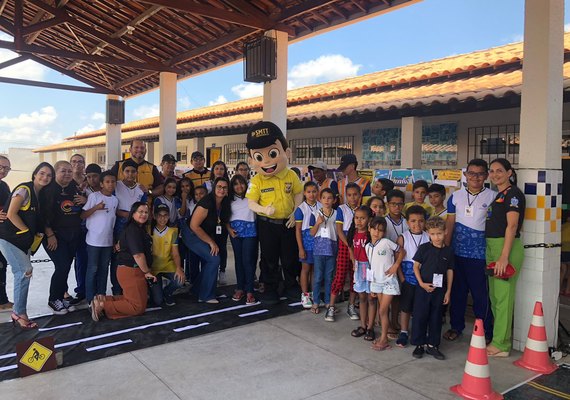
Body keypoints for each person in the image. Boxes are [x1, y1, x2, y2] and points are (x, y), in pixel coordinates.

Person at [246, 121, 303, 304]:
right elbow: (251, 203)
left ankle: (291, 284)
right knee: (269, 257)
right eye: (259, 157)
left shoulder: (290, 175)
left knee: (289, 256)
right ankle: (270, 287)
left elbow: (298, 192)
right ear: (251, 160)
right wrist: (264, 209)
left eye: (272, 154)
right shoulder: (257, 180)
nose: (267, 161)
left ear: (286, 152)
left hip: (288, 223)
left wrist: (296, 212)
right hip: (267, 224)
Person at [444, 159, 496, 343]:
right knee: (457, 293)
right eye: (472, 173)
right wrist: (446, 250)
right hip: (457, 254)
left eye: (480, 173)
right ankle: (456, 327)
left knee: (480, 295)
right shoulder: (455, 197)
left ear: (486, 176)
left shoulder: (492, 197)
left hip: (479, 256)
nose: (475, 177)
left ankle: (486, 331)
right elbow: (450, 223)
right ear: (465, 175)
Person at [0, 162, 54, 328]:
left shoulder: (41, 194)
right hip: (9, 238)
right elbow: (11, 213)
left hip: (22, 241)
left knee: (22, 273)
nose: (45, 177)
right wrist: (25, 231)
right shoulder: (25, 189)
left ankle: (18, 310)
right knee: (24, 271)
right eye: (42, 173)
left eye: (49, 175)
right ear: (35, 174)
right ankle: (19, 313)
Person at [485, 158, 525, 357]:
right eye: (491, 171)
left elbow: (512, 226)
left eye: (499, 170)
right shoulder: (499, 194)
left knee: (503, 298)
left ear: (509, 173)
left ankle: (502, 344)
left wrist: (504, 257)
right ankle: (498, 339)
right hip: (493, 246)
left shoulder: (513, 194)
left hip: (505, 248)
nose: (495, 174)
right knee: (495, 297)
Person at [91, 202, 156, 321]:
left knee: (133, 300)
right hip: (132, 271)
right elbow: (138, 255)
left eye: (146, 212)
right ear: (133, 214)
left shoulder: (137, 229)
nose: (144, 214)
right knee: (137, 307)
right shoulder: (133, 230)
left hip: (132, 270)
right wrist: (147, 272)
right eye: (140, 212)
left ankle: (103, 300)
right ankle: (102, 305)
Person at [42, 160, 87, 315]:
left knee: (66, 267)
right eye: (63, 171)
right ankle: (53, 299)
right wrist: (50, 235)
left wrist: (85, 201)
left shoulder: (74, 187)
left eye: (69, 171)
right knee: (61, 266)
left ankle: (61, 297)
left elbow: (79, 208)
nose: (67, 174)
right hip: (54, 236)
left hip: (72, 234)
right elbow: (43, 216)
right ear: (56, 173)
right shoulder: (48, 190)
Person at [411, 216, 454, 360]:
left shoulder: (448, 251)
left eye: (439, 233)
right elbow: (415, 266)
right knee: (420, 316)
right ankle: (419, 344)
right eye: (433, 234)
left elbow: (450, 271)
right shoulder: (424, 248)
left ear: (446, 232)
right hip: (423, 289)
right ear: (428, 233)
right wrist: (421, 283)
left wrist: (448, 291)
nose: (436, 237)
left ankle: (433, 345)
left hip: (440, 290)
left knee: (436, 317)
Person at [188, 177, 231, 303]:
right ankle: (206, 295)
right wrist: (211, 242)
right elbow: (193, 226)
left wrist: (229, 229)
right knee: (214, 259)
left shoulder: (224, 202)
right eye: (219, 187)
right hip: (191, 233)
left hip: (204, 233)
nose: (221, 190)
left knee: (211, 259)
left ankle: (198, 289)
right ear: (214, 188)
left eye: (224, 187)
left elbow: (223, 219)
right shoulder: (207, 202)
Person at [325, 183, 361, 322]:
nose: (352, 198)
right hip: (345, 244)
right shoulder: (341, 209)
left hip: (359, 245)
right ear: (346, 196)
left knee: (354, 276)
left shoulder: (363, 210)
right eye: (349, 195)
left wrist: (355, 246)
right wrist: (349, 246)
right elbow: (340, 231)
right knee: (340, 275)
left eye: (355, 194)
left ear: (360, 195)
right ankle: (331, 306)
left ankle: (351, 305)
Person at [367, 216, 404, 351]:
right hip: (377, 283)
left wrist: (396, 265)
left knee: (382, 310)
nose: (377, 232)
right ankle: (384, 337)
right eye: (374, 229)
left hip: (389, 282)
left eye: (381, 230)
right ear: (369, 229)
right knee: (383, 312)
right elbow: (371, 266)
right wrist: (372, 285)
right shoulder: (368, 247)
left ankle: (383, 339)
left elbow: (401, 251)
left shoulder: (387, 242)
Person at [81, 171, 118, 305]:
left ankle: (101, 295)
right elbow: (83, 215)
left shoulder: (115, 200)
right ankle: (90, 298)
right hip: (93, 241)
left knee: (104, 269)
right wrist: (96, 207)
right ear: (101, 184)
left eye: (113, 181)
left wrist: (113, 239)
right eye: (107, 182)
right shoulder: (94, 197)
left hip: (107, 241)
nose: (110, 184)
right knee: (92, 269)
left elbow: (112, 221)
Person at [112, 158, 148, 295]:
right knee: (118, 259)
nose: (130, 174)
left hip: (135, 229)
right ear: (122, 172)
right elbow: (113, 207)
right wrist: (129, 215)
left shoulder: (140, 189)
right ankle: (116, 290)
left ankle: (130, 290)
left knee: (133, 258)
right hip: (119, 228)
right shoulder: (116, 186)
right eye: (127, 171)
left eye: (133, 171)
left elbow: (143, 208)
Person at [396, 205, 429, 347]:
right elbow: (397, 261)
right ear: (407, 222)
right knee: (405, 307)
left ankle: (421, 331)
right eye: (413, 221)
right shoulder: (403, 238)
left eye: (421, 221)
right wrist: (402, 279)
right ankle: (404, 331)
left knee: (422, 308)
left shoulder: (429, 237)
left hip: (424, 281)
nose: (417, 224)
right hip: (408, 280)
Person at [227, 174, 257, 305]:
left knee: (247, 260)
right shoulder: (229, 199)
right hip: (235, 233)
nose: (239, 186)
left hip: (250, 231)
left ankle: (250, 290)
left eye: (241, 183)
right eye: (235, 184)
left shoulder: (252, 197)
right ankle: (240, 288)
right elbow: (224, 216)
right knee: (238, 260)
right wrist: (229, 229)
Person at [348, 206, 376, 341]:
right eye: (356, 218)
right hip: (359, 268)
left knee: (371, 298)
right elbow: (351, 248)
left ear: (369, 219)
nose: (359, 221)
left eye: (363, 218)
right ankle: (363, 326)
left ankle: (370, 327)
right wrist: (354, 262)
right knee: (362, 297)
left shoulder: (371, 234)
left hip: (370, 268)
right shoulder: (353, 233)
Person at [149, 204, 184, 306]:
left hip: (168, 265)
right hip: (152, 269)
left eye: (165, 215)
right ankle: (153, 291)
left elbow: (176, 253)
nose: (162, 218)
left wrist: (178, 268)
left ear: (169, 216)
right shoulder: (148, 230)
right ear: (155, 216)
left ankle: (167, 292)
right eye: (159, 215)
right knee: (158, 301)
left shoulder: (172, 232)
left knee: (180, 280)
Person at [309, 188, 337, 314]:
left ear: (334, 200)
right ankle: (315, 301)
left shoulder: (337, 214)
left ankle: (327, 302)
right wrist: (318, 223)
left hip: (332, 248)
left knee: (329, 277)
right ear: (320, 199)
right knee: (318, 277)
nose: (326, 200)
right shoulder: (315, 214)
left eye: (329, 198)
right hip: (319, 249)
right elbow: (311, 233)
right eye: (324, 198)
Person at [295, 181, 321, 308]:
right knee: (305, 269)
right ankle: (305, 294)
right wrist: (301, 247)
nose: (311, 194)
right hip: (306, 242)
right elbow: (298, 230)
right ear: (304, 193)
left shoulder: (322, 206)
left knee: (315, 270)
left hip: (319, 242)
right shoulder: (301, 209)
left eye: (314, 191)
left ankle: (314, 294)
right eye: (309, 192)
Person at [205, 160, 230, 285]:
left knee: (222, 247)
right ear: (212, 171)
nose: (219, 171)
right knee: (210, 246)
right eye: (216, 168)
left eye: (221, 168)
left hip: (222, 221)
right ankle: (212, 272)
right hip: (209, 221)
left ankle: (222, 271)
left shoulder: (228, 185)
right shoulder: (207, 185)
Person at [70, 154, 88, 307]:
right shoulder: (64, 182)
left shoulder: (90, 182)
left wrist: (86, 200)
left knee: (83, 260)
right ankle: (62, 292)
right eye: (74, 161)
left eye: (80, 161)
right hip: (68, 227)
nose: (77, 164)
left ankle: (83, 290)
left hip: (88, 227)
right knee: (65, 262)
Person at [0, 155, 13, 311]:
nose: (3, 170)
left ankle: (2, 301)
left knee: (2, 267)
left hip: (3, 234)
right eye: (1, 166)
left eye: (7, 168)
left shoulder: (4, 186)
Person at [561, 211, 570, 296]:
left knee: (563, 270)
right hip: (568, 249)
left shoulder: (562, 226)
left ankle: (559, 289)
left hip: (562, 250)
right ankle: (567, 290)